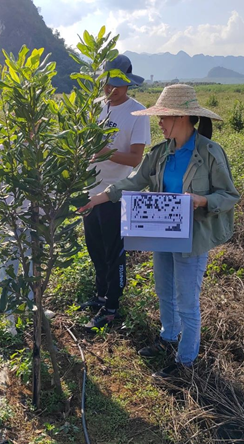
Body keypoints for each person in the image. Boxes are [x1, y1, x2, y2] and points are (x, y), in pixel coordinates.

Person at [79, 84, 240, 377]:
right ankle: (168, 338)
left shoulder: (210, 153)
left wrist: (203, 200)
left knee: (187, 301)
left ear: (181, 117)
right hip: (164, 233)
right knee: (164, 291)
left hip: (193, 237)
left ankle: (186, 361)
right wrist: (99, 198)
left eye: (164, 118)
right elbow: (134, 180)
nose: (160, 123)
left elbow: (229, 196)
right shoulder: (161, 153)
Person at [80, 54, 151, 331]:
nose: (112, 91)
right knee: (95, 248)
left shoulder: (137, 113)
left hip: (116, 194)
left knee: (114, 252)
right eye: (108, 85)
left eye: (118, 86)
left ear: (128, 85)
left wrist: (104, 152)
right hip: (90, 191)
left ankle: (112, 307)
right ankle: (99, 296)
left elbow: (135, 159)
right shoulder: (96, 107)